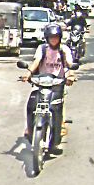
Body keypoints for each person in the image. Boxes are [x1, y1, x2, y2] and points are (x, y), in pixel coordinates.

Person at [22, 23, 75, 153]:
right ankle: (30, 128)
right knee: (31, 105)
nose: (54, 40)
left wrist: (71, 76)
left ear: (60, 38)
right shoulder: (42, 48)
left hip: (57, 84)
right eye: (51, 37)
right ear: (47, 38)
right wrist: (28, 73)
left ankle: (58, 131)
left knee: (57, 108)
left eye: (56, 37)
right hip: (41, 83)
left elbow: (69, 64)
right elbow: (36, 61)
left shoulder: (64, 49)